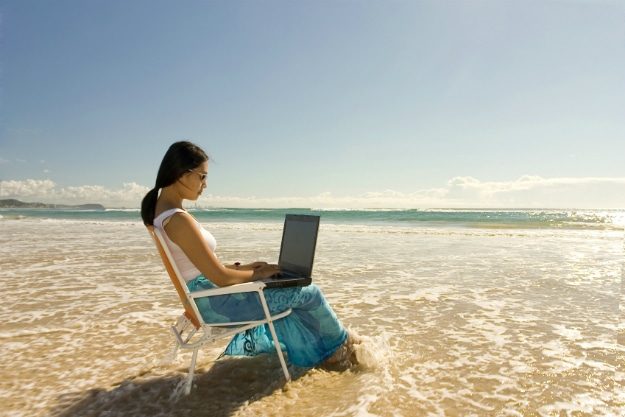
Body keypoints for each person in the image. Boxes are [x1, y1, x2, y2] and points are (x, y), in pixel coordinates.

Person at [141, 141, 359, 367]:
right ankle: (343, 347)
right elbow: (220, 278)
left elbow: (200, 268)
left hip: (207, 298)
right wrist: (258, 275)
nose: (205, 184)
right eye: (202, 176)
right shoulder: (178, 219)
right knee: (307, 291)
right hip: (215, 305)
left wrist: (246, 268)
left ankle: (323, 351)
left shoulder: (164, 214)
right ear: (182, 174)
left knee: (285, 289)